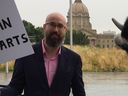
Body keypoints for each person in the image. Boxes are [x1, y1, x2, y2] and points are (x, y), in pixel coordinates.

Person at [0, 12, 86, 96]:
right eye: (52, 24)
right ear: (44, 27)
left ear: (65, 30)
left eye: (60, 26)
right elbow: (15, 88)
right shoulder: (25, 55)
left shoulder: (74, 59)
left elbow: (79, 92)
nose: (56, 30)